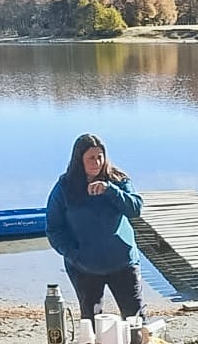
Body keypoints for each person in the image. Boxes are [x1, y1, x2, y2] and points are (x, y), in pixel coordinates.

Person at [46, 133, 145, 321]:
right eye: (91, 158)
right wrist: (74, 254)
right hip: (84, 268)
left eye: (100, 157)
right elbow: (54, 229)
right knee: (91, 324)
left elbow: (135, 209)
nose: (97, 162)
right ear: (79, 160)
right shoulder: (65, 187)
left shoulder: (117, 179)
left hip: (123, 263)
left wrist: (110, 190)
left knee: (135, 320)